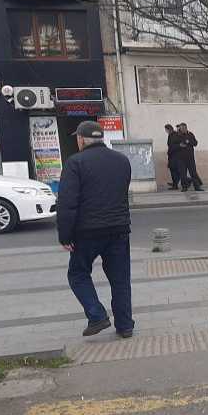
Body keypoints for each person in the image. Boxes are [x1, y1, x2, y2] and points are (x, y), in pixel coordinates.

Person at [57, 120, 134, 339]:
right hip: (119, 228)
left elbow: (67, 202)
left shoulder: (75, 162)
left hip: (87, 232)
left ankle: (97, 315)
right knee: (120, 279)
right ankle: (125, 325)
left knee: (78, 273)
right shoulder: (122, 160)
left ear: (81, 139)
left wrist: (65, 235)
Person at [176, 122, 204, 192]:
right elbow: (172, 145)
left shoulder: (190, 134)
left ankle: (197, 187)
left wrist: (189, 141)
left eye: (183, 128)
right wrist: (179, 145)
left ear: (186, 128)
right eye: (181, 129)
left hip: (190, 158)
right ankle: (184, 187)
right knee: (183, 174)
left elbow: (195, 143)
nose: (182, 130)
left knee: (193, 173)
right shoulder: (177, 135)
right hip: (181, 158)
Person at [165, 124, 181, 190]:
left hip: (175, 156)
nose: (166, 131)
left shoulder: (174, 135)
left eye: (166, 130)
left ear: (168, 129)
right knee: (174, 171)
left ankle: (175, 184)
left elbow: (174, 145)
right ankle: (175, 183)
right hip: (172, 155)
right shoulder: (171, 135)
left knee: (175, 171)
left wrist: (169, 151)